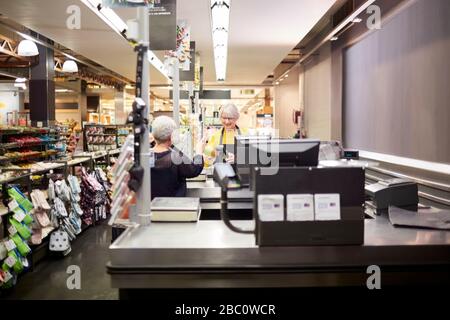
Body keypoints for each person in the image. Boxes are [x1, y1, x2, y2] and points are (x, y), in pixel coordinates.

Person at [150, 116, 204, 199]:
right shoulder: (175, 158)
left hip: (150, 207)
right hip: (172, 207)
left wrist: (171, 144)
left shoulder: (145, 156)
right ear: (172, 136)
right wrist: (199, 152)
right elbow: (195, 169)